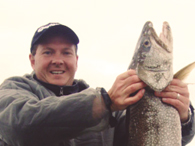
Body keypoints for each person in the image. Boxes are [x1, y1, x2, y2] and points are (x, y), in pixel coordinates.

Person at [0, 22, 194, 146]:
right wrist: (104, 103)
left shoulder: (112, 109)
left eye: (66, 53)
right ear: (32, 60)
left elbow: (152, 138)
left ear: (76, 60)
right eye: (48, 52)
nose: (58, 60)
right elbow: (21, 126)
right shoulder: (13, 91)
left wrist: (183, 116)